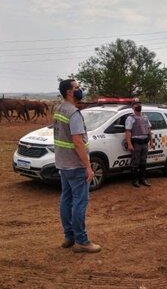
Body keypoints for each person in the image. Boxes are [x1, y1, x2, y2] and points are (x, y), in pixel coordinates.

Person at [54, 79, 101, 253]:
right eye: (77, 88)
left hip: (63, 164)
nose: (80, 90)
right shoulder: (73, 113)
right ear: (69, 92)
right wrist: (88, 166)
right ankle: (81, 240)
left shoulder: (59, 109)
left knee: (66, 200)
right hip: (75, 165)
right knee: (80, 202)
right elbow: (77, 141)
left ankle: (69, 236)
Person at [125, 100, 153, 188]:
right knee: (135, 162)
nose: (139, 106)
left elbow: (148, 130)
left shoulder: (145, 117)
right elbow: (128, 132)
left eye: (139, 104)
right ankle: (135, 180)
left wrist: (151, 141)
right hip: (136, 143)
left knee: (143, 162)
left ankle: (143, 179)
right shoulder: (130, 118)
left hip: (145, 142)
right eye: (136, 105)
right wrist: (129, 144)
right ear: (133, 107)